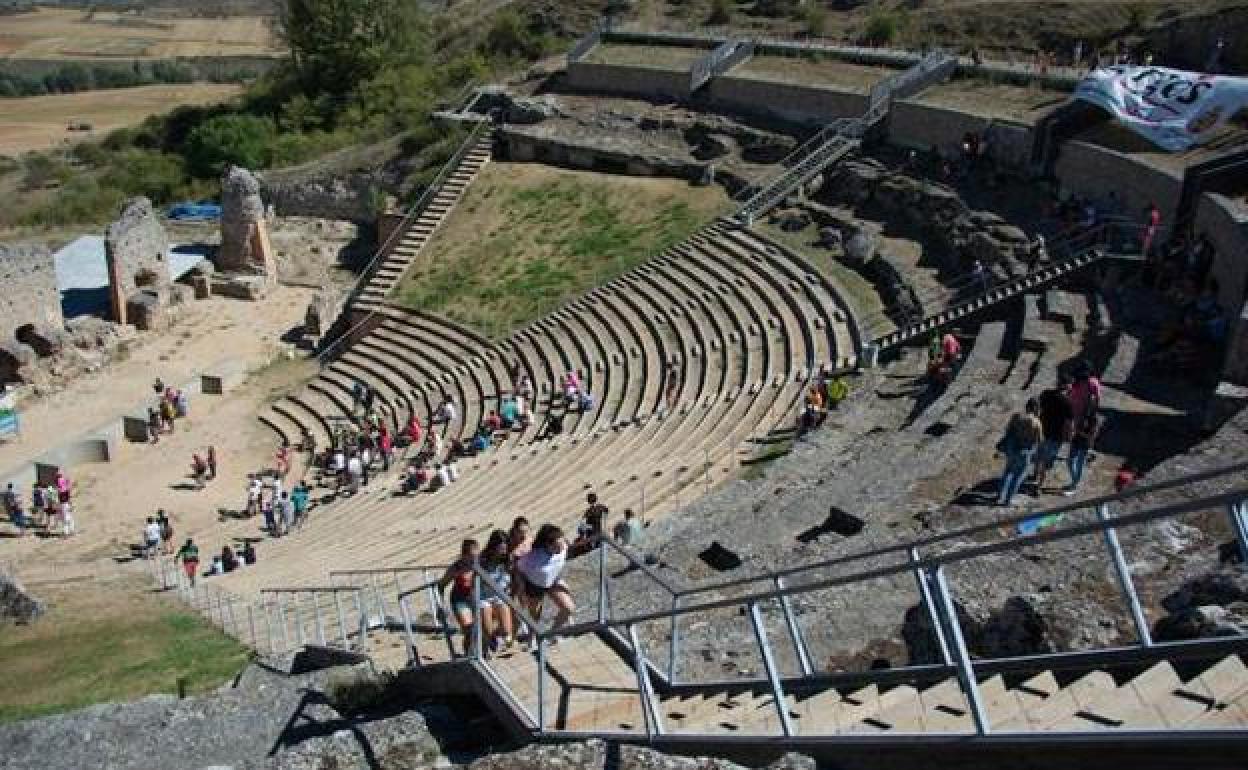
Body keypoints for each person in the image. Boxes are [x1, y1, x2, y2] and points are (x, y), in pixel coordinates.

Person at [515, 524, 575, 647]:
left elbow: (559, 564)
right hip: (534, 584)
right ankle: (531, 640)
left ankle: (552, 633)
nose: (563, 547)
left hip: (552, 581)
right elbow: (518, 569)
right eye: (558, 545)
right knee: (535, 616)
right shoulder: (533, 557)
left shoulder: (564, 547)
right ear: (548, 545)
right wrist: (521, 589)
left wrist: (559, 579)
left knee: (568, 608)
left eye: (562, 542)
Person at [438, 539, 484, 657]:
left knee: (479, 627)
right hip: (460, 600)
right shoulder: (456, 567)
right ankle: (468, 654)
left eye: (477, 556)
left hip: (476, 599)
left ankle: (478, 651)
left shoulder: (481, 565)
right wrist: (440, 604)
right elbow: (441, 585)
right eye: (471, 556)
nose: (474, 559)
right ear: (464, 555)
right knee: (468, 628)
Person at [996, 398, 1043, 506]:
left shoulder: (1016, 416)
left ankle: (999, 496)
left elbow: (1008, 431)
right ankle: (1007, 501)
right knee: (1017, 477)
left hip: (1012, 449)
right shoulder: (1037, 422)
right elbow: (1039, 440)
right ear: (1036, 408)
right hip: (1025, 452)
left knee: (1007, 472)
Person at [1034, 375, 1074, 492]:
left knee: (1038, 454)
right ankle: (1039, 484)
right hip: (1056, 436)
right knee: (1047, 461)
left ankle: (1035, 473)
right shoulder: (1068, 403)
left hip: (1042, 430)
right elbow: (1069, 423)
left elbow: (1037, 409)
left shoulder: (1045, 394)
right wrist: (1069, 437)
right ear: (1066, 386)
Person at [479, 529, 516, 651]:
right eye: (501, 549)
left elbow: (513, 576)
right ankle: (488, 641)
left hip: (500, 595)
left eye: (505, 549)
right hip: (483, 597)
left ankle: (499, 640)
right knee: (488, 631)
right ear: (494, 547)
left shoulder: (508, 559)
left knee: (507, 631)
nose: (504, 552)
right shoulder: (482, 561)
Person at [1065, 411, 1101, 496]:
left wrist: (1079, 432)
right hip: (1076, 441)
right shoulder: (1083, 414)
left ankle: (1074, 484)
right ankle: (1075, 481)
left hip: (1084, 445)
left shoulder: (1095, 419)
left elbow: (1092, 436)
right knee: (1069, 462)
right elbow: (1076, 426)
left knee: (1079, 465)